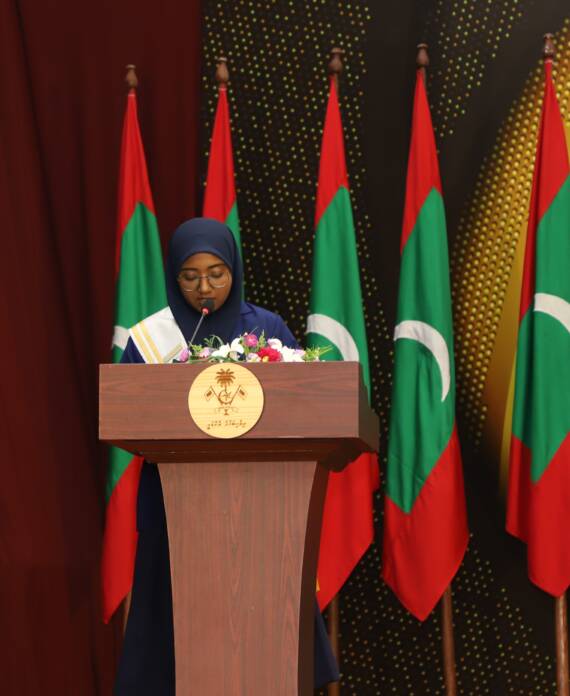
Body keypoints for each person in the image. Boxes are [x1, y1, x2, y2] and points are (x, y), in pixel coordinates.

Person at [115, 217, 340, 694]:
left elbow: (304, 405)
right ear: (173, 276)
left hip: (262, 508)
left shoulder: (266, 328)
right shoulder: (150, 338)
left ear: (234, 270)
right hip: (175, 509)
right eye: (190, 276)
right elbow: (125, 412)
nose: (204, 287)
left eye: (216, 274)